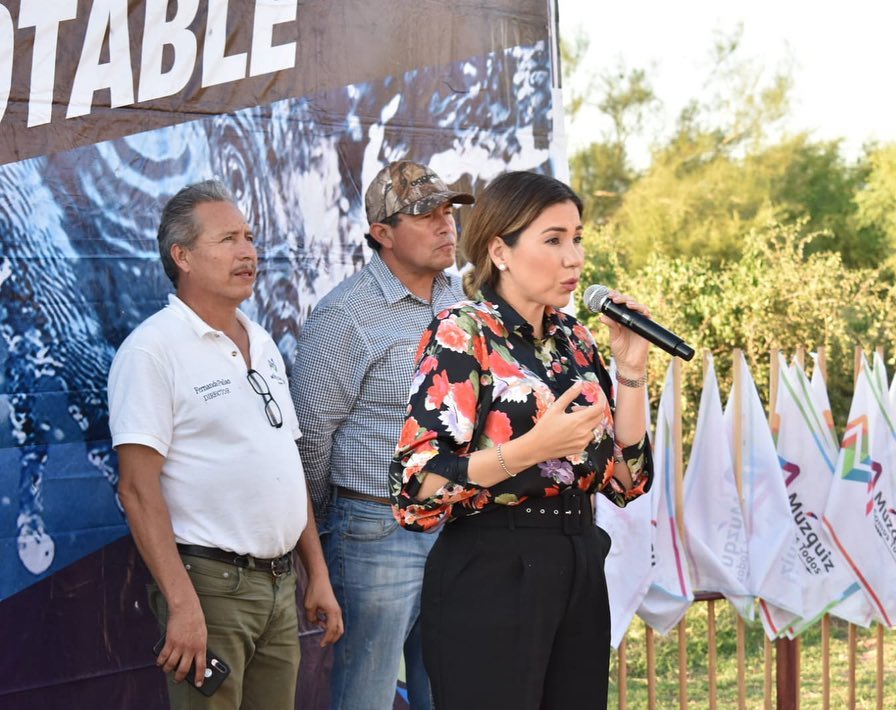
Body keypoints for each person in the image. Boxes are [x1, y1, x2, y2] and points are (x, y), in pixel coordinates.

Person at [390, 170, 655, 710]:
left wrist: (631, 371)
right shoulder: (463, 332)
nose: (573, 257)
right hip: (493, 569)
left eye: (577, 238)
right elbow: (415, 488)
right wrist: (533, 449)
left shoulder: (575, 340)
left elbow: (629, 480)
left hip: (578, 560)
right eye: (553, 240)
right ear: (500, 250)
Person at [108, 180, 343, 709]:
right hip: (210, 591)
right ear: (182, 256)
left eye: (250, 237)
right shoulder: (152, 350)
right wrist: (183, 604)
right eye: (228, 239)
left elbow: (285, 466)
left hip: (281, 587)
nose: (248, 252)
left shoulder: (261, 340)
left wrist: (317, 574)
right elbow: (137, 489)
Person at [290, 161, 474, 710]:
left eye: (448, 211)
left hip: (457, 524)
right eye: (425, 214)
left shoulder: (463, 301)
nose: (446, 226)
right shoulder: (344, 315)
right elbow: (311, 439)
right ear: (382, 234)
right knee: (366, 696)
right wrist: (336, 524)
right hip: (375, 527)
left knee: (447, 691)